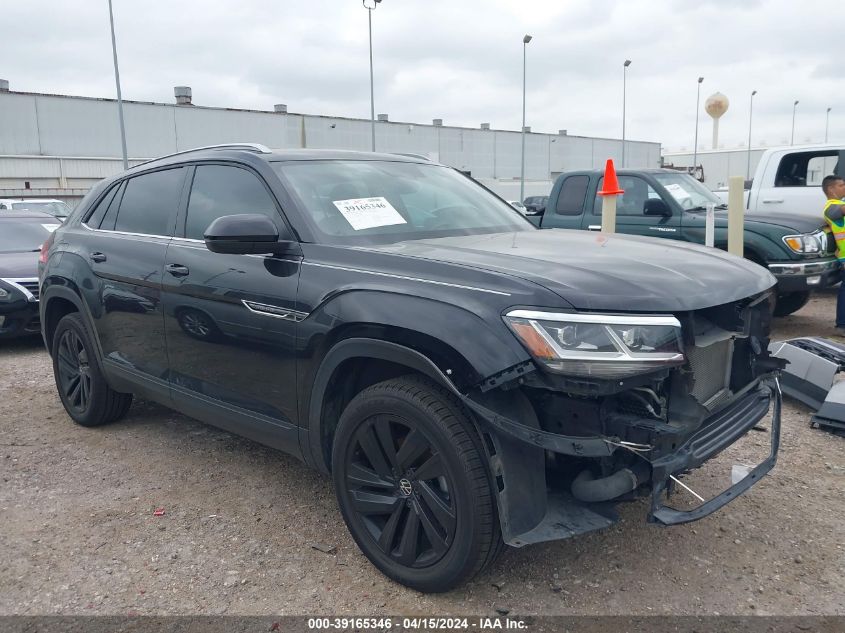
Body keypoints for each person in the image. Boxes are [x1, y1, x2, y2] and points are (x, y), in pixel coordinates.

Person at [822, 175, 845, 329]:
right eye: (842, 185)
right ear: (831, 189)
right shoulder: (831, 207)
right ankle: (842, 324)